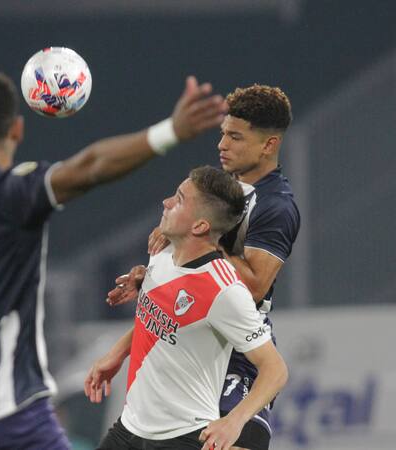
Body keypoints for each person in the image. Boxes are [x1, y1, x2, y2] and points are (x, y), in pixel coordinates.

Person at [0, 67, 227, 449]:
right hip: (10, 409)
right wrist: (170, 131)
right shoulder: (12, 193)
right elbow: (89, 167)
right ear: (17, 130)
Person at [109, 85, 299, 450]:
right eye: (223, 133)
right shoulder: (217, 185)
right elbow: (185, 273)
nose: (221, 145)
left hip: (238, 351)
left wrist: (198, 240)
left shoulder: (276, 206)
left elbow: (255, 285)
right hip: (190, 340)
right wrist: (154, 271)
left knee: (236, 440)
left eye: (235, 137)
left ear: (269, 145)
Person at [85, 166, 289, 450]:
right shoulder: (161, 254)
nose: (166, 203)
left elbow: (275, 369)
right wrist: (116, 354)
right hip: (129, 429)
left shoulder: (225, 290)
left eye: (179, 200)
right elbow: (159, 318)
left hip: (182, 438)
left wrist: (235, 420)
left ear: (200, 226)